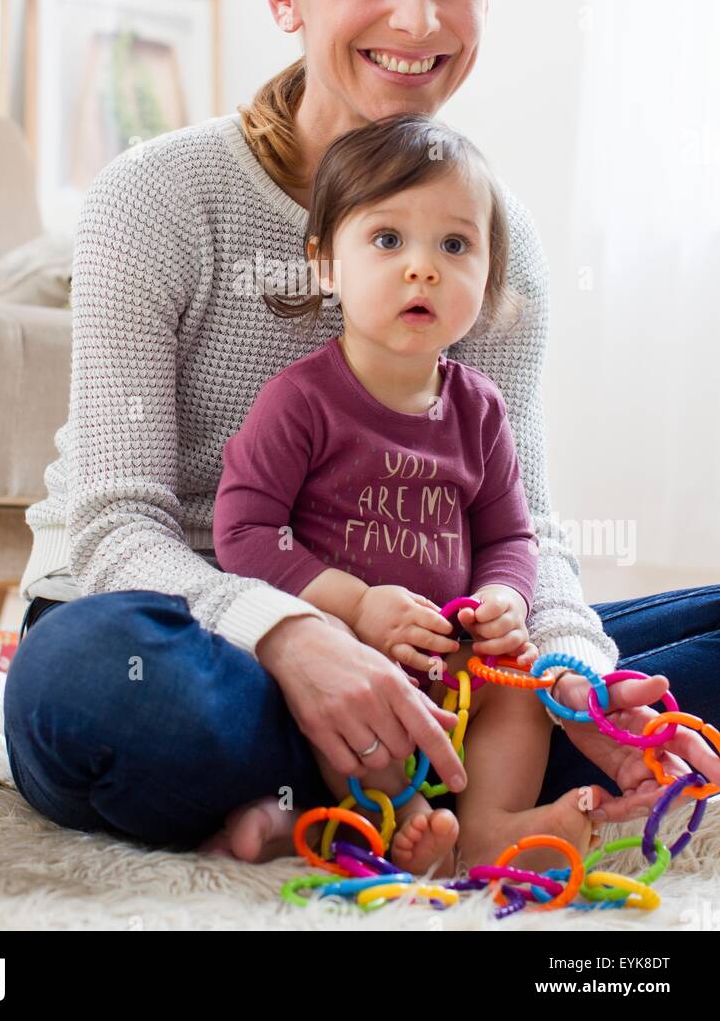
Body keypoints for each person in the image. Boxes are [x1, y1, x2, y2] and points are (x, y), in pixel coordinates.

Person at [4, 0, 720, 866]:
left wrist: (573, 673)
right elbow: (115, 527)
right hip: (186, 635)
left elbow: (523, 523)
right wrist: (295, 636)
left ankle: (372, 790)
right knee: (106, 692)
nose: (416, 17)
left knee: (613, 672)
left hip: (427, 668)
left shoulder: (493, 243)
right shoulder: (157, 197)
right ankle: (370, 779)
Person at [213, 111, 618, 878]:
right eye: (388, 240)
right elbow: (245, 530)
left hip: (455, 653)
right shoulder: (300, 402)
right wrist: (357, 605)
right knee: (351, 700)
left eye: (455, 246)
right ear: (326, 263)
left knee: (523, 684)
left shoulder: (479, 408)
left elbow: (510, 536)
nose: (422, 268)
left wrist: (505, 599)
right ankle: (398, 821)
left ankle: (488, 827)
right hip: (346, 647)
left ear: (488, 276)